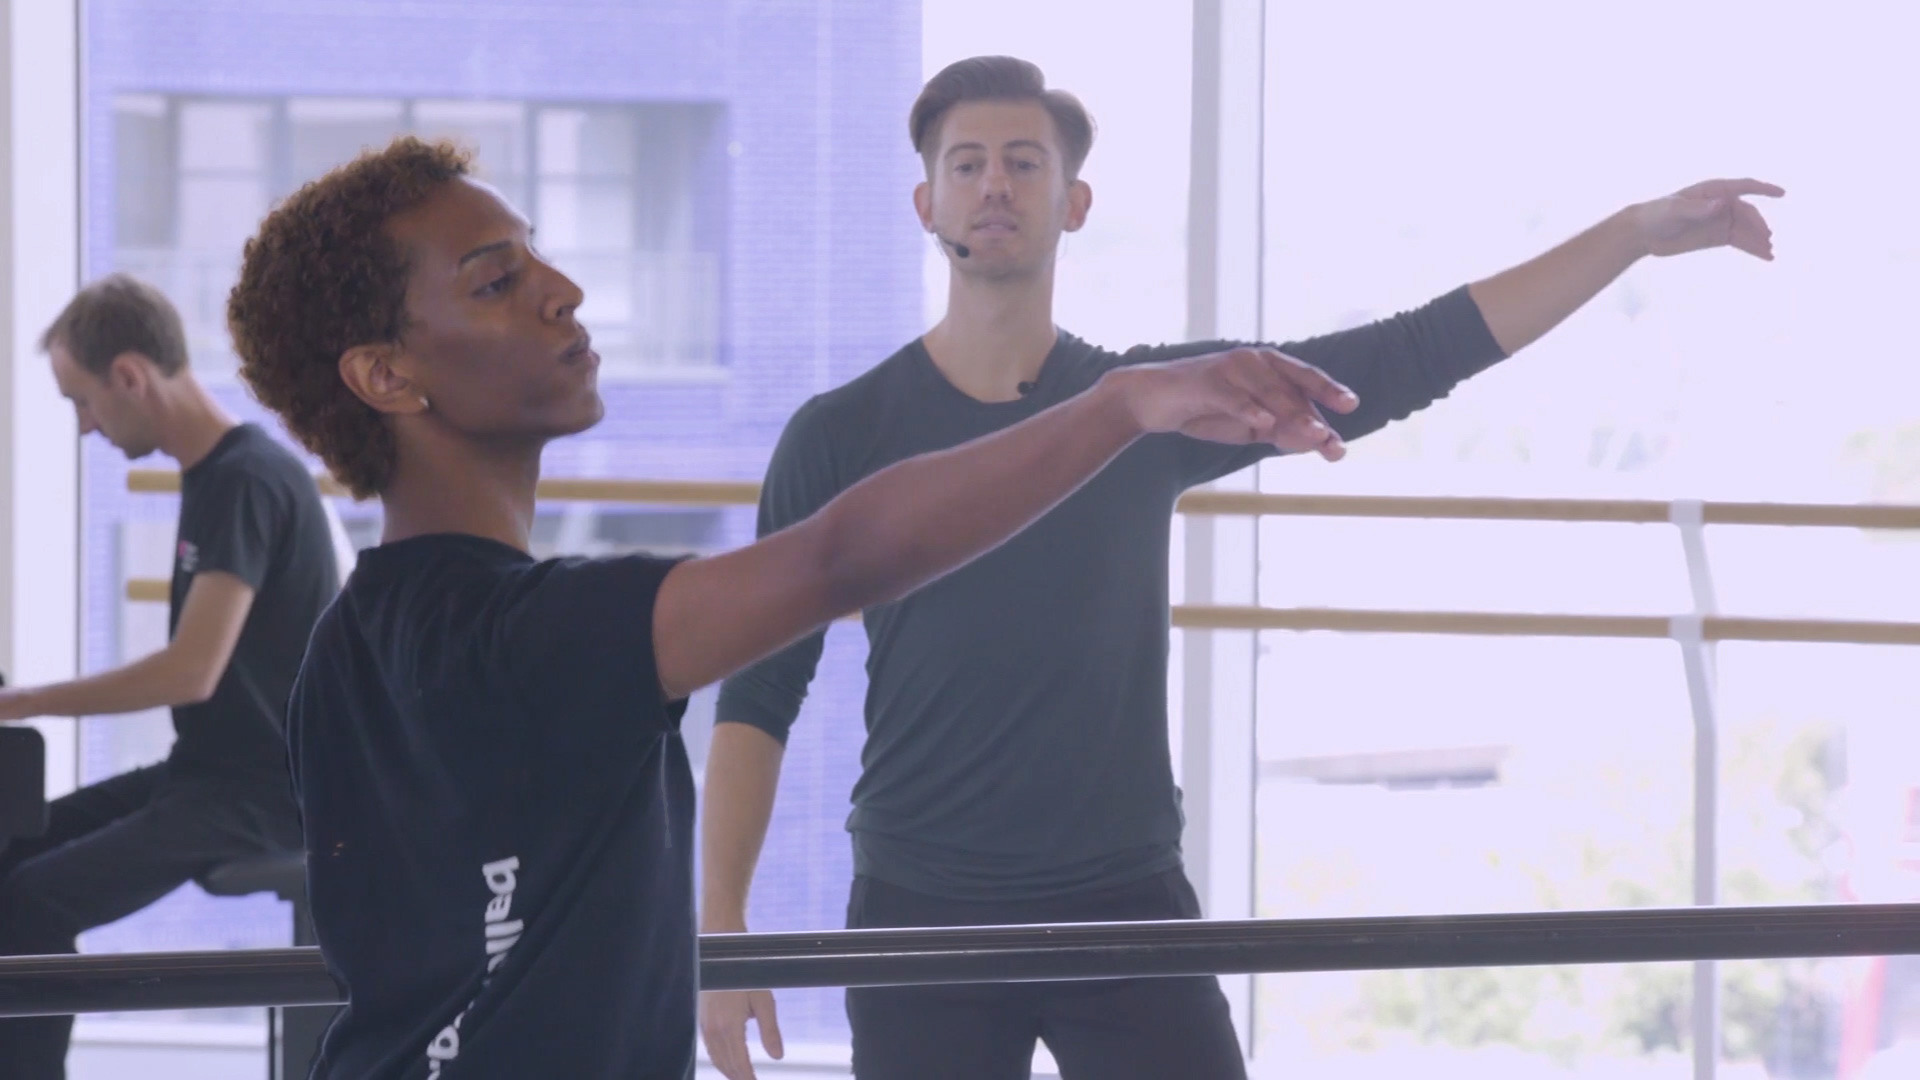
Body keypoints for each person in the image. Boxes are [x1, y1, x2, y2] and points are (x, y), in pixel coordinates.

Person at [698, 54, 1783, 1080]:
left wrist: (1635, 233)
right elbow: (759, 689)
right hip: (919, 910)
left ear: (1073, 203)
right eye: (966, 163)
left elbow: (1410, 355)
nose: (994, 184)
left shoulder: (1153, 404)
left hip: (1121, 899)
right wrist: (721, 930)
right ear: (925, 204)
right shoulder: (839, 435)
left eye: (1025, 162)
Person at [223, 133, 1359, 1079]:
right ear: (385, 375)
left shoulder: (355, 641)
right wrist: (1120, 409)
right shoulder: (517, 636)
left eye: (537, 260)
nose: (560, 290)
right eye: (495, 280)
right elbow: (838, 562)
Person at [0, 274, 339, 1079]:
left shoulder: (248, 480)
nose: (85, 427)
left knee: (31, 901)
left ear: (128, 375)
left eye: (81, 402)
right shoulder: (215, 477)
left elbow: (192, 671)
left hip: (264, 795)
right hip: (209, 775)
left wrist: (22, 703)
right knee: (8, 855)